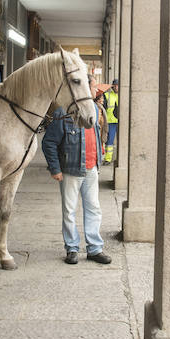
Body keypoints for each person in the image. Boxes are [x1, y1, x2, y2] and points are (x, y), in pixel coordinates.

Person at [42, 78, 111, 265]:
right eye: (93, 85)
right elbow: (48, 142)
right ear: (84, 87)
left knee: (94, 208)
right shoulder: (63, 112)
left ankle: (94, 249)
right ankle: (72, 248)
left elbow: (96, 136)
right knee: (69, 210)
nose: (96, 88)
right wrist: (55, 168)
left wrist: (98, 161)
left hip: (91, 169)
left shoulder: (95, 110)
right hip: (70, 170)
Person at [102, 79, 119, 164]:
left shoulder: (124, 95)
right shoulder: (107, 95)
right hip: (110, 122)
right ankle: (108, 159)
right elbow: (103, 108)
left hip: (121, 122)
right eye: (115, 86)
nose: (116, 87)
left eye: (118, 85)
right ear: (112, 86)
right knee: (109, 141)